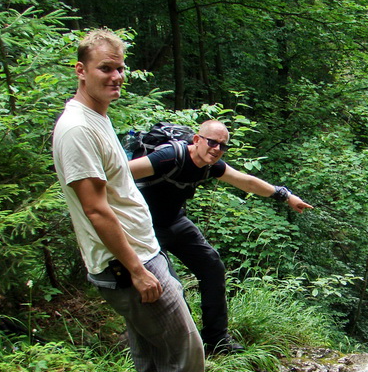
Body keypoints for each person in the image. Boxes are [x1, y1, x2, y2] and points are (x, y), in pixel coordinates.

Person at [52, 29, 227, 372]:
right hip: (129, 262)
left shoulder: (96, 117)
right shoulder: (77, 129)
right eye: (105, 69)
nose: (115, 77)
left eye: (119, 68)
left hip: (137, 254)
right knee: (186, 346)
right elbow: (95, 208)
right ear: (81, 71)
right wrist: (136, 269)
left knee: (148, 344)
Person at [128, 119, 313, 355]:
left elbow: (246, 181)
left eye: (222, 146)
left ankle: (216, 340)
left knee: (212, 266)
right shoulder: (169, 158)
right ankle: (180, 345)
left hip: (174, 221)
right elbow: (120, 174)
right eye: (212, 142)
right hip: (144, 228)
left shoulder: (210, 165)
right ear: (197, 140)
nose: (217, 149)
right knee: (169, 286)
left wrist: (285, 196)